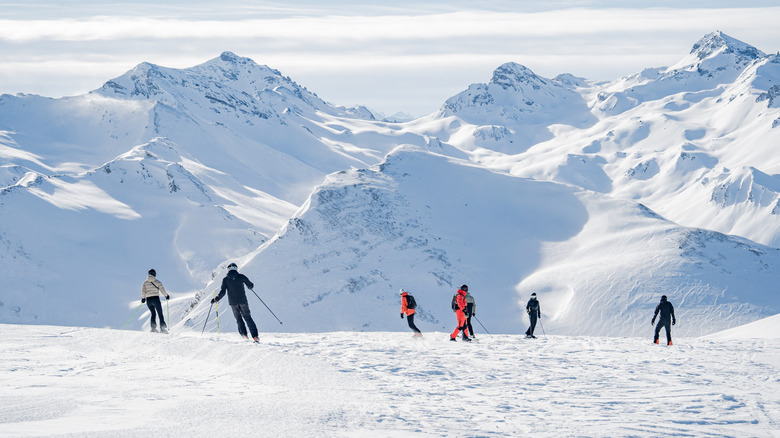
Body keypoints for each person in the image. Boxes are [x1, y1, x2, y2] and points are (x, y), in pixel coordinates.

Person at [212, 262, 259, 342]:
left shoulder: (225, 279)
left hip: (233, 303)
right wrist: (250, 286)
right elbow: (250, 285)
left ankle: (244, 336)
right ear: (236, 268)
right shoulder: (241, 276)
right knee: (248, 318)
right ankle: (255, 337)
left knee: (238, 318)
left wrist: (216, 299)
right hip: (243, 301)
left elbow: (222, 292)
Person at [141, 269, 170, 333]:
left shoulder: (145, 283)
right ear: (154, 274)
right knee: (160, 314)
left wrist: (143, 298)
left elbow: (143, 291)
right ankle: (162, 328)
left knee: (153, 314)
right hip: (156, 299)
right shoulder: (158, 282)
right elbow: (162, 290)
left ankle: (153, 328)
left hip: (148, 300)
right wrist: (166, 296)